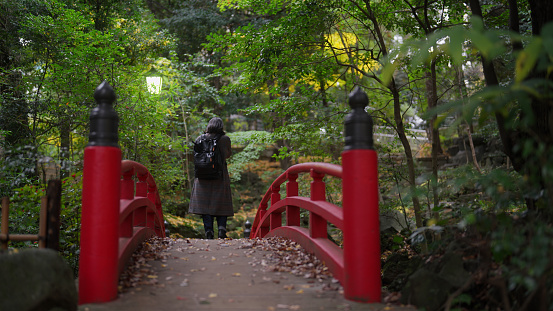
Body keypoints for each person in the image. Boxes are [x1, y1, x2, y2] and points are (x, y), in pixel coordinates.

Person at [188, 117, 234, 239]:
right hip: (220, 175)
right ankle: (221, 230)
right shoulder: (224, 139)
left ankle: (208, 231)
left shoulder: (199, 139)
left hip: (202, 176)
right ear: (221, 126)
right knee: (221, 204)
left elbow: (195, 156)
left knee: (205, 205)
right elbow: (228, 155)